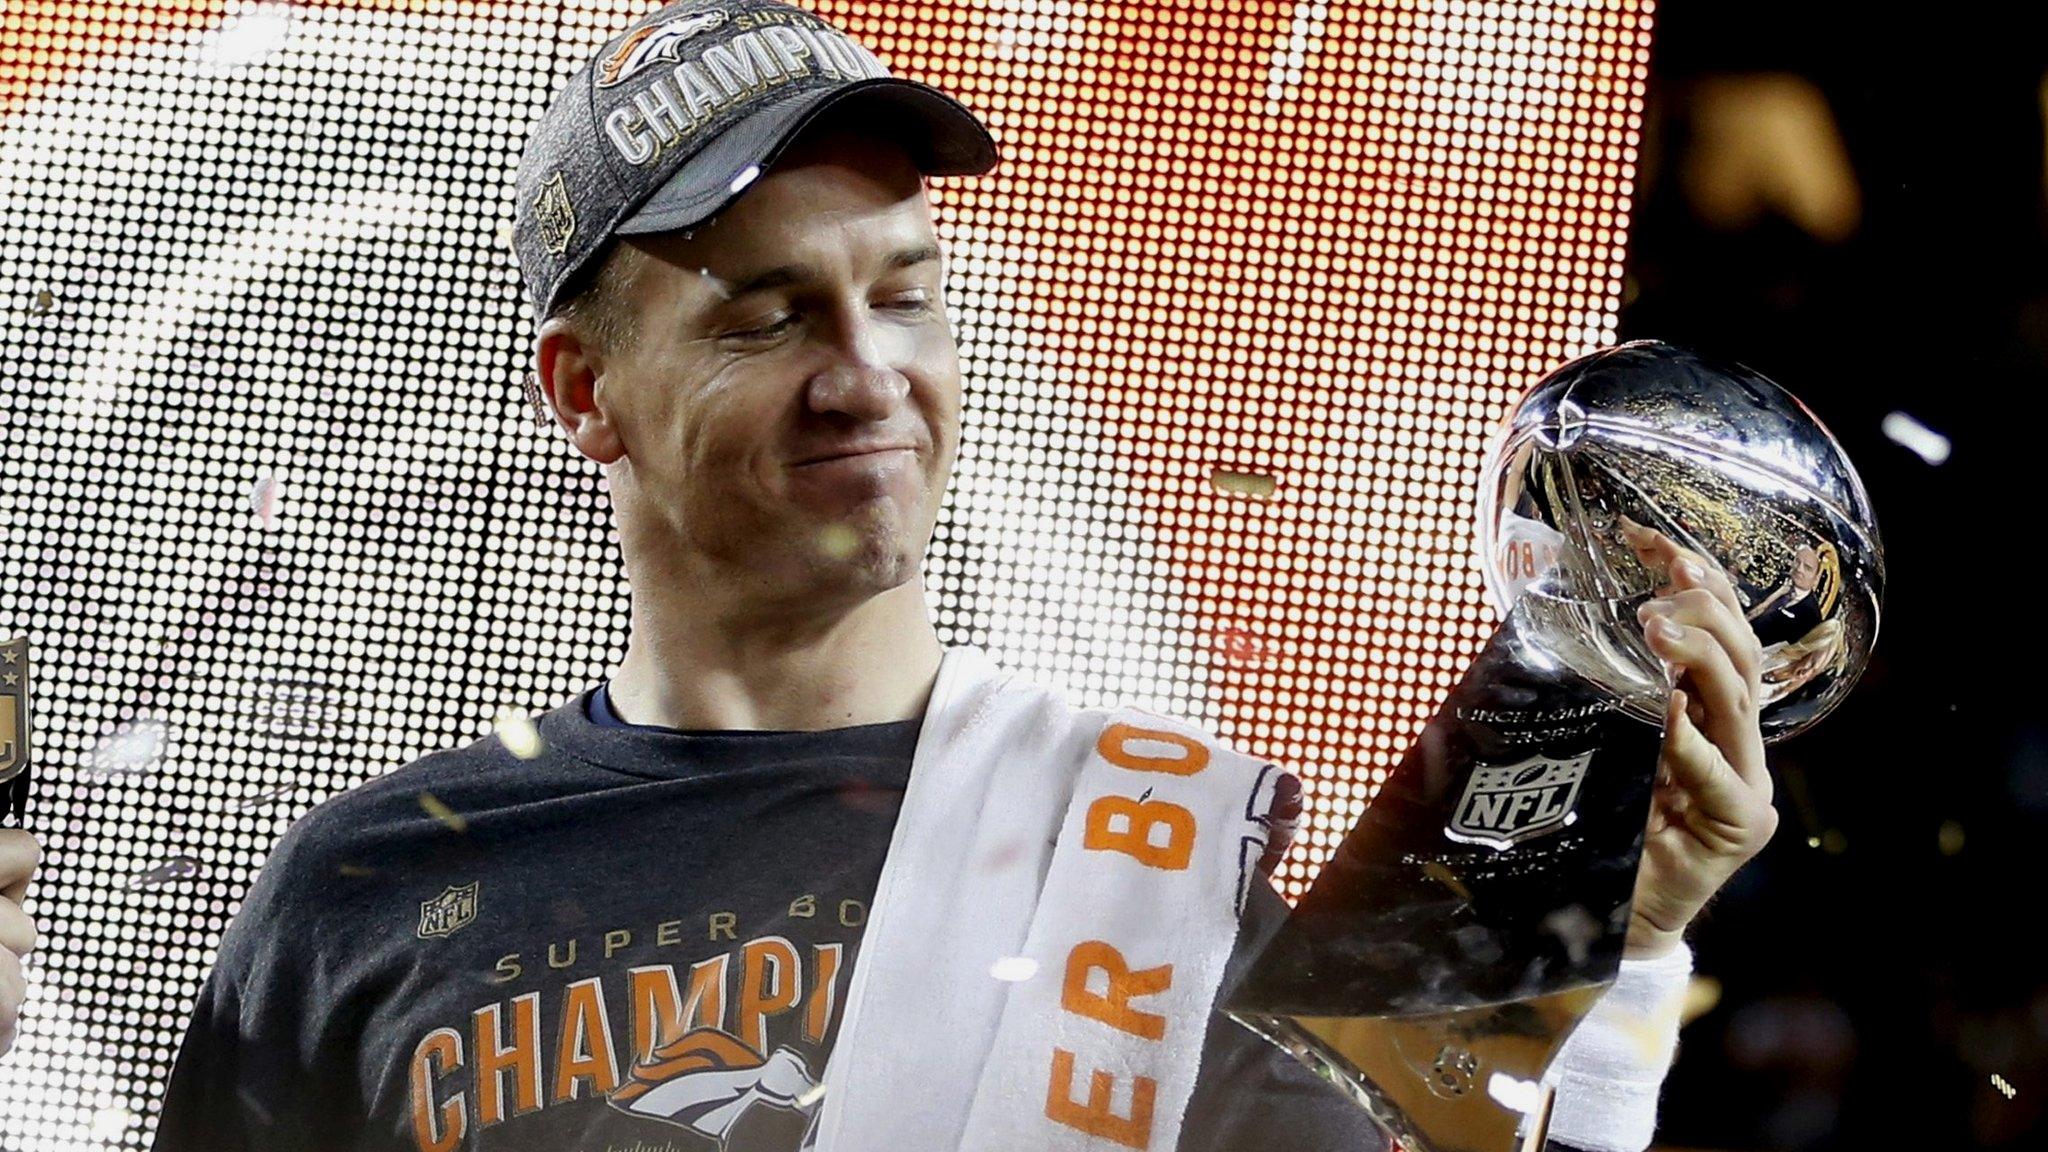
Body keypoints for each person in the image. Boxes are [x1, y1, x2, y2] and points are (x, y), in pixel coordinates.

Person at [0, 2, 1781, 1149]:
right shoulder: (356, 896)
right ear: (587, 391)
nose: (871, 370)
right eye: (769, 312)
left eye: (905, 292)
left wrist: (1616, 959)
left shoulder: (1145, 869)